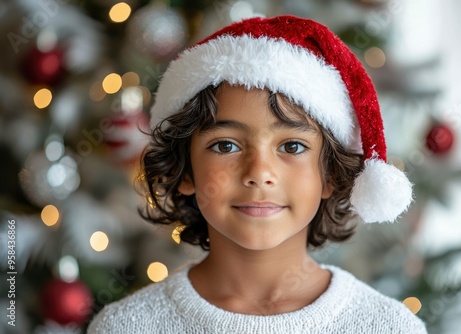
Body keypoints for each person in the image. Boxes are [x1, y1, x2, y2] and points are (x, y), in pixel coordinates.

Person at [88, 15, 426, 334]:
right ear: (185, 168)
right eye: (225, 146)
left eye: (292, 147)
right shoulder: (126, 327)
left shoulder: (388, 327)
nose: (259, 174)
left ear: (331, 175)